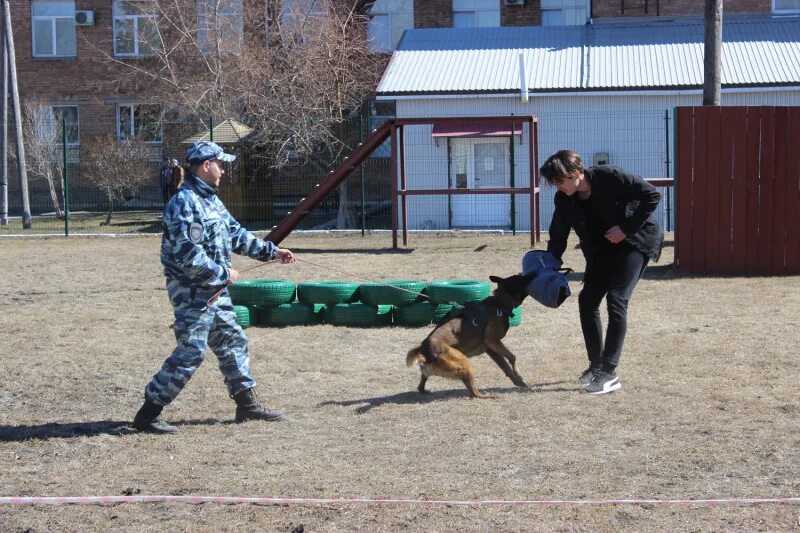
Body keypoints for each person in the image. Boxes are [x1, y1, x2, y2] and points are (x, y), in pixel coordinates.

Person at [133, 141, 295, 434]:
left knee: (233, 340)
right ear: (206, 165)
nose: (224, 170)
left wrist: (272, 252)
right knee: (191, 352)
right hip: (192, 293)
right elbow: (187, 255)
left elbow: (236, 234)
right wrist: (224, 272)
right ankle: (148, 413)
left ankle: (247, 405)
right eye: (220, 164)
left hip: (214, 292)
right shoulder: (184, 202)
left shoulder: (210, 200)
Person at [540, 150, 663, 395]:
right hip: (602, 250)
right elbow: (559, 231)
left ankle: (609, 373)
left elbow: (652, 194)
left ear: (576, 174)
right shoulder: (564, 199)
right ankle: (596, 366)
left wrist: (626, 228)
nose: (558, 187)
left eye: (560, 181)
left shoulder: (612, 177)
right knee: (587, 300)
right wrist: (549, 263)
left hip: (635, 241)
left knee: (617, 299)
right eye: (554, 183)